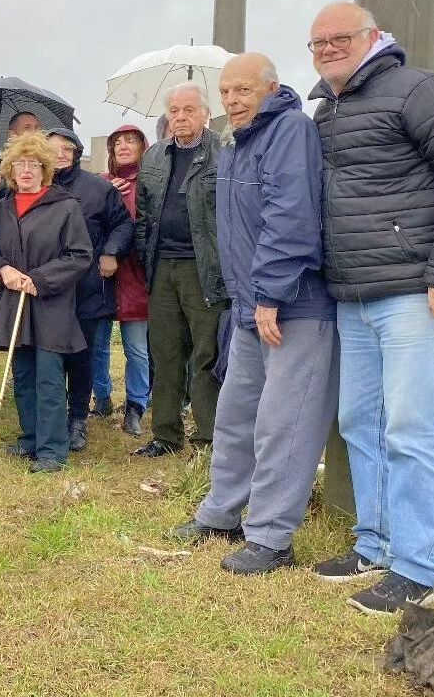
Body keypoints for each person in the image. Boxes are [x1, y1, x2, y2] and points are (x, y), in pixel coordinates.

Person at [305, 2, 434, 614]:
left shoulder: (420, 91)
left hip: (420, 293)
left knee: (413, 429)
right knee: (360, 422)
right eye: (318, 42)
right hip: (356, 294)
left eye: (340, 38)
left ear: (373, 37)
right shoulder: (327, 110)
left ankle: (419, 567)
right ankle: (377, 543)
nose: (328, 49)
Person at [170, 53, 338, 576]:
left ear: (271, 88)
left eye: (242, 90)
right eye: (225, 92)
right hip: (250, 306)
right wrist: (243, 300)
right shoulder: (236, 142)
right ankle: (221, 513)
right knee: (235, 416)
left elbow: (291, 216)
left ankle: (270, 537)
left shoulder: (289, 131)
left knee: (283, 425)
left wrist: (271, 294)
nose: (232, 100)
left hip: (292, 307)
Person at [0, 132, 92, 472]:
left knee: (49, 377)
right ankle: (30, 438)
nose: (27, 170)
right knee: (23, 373)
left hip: (51, 305)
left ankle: (52, 450)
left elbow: (79, 255)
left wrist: (40, 279)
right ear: (11, 169)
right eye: (20, 164)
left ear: (45, 169)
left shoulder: (65, 207)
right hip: (14, 303)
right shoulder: (2, 208)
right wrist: (2, 270)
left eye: (34, 164)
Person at [133, 83, 228, 457]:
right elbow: (143, 215)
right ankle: (165, 435)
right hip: (162, 268)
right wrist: (146, 259)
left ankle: (209, 438)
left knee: (206, 354)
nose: (181, 117)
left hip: (204, 269)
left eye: (189, 110)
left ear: (206, 113)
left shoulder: (224, 153)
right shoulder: (154, 156)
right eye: (174, 111)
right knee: (165, 353)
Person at [45, 127, 134, 453]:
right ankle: (52, 416)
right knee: (50, 356)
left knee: (81, 355)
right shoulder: (35, 184)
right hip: (48, 287)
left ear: (76, 153)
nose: (60, 154)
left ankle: (78, 419)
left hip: (88, 285)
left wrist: (111, 251)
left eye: (67, 149)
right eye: (53, 148)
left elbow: (123, 224)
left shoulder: (98, 188)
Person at [99, 124, 152, 437]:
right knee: (98, 344)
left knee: (136, 348)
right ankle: (101, 397)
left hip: (136, 277)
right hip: (103, 277)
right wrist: (106, 193)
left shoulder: (151, 182)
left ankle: (136, 405)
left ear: (143, 146)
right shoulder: (102, 182)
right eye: (117, 142)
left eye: (130, 140)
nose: (123, 146)